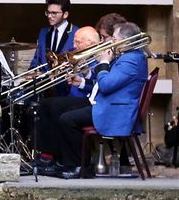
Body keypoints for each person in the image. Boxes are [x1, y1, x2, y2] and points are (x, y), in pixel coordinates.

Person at [48, 21, 148, 179]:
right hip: (110, 105)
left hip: (115, 112)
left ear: (127, 41)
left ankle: (80, 167)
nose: (110, 42)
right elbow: (107, 84)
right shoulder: (128, 57)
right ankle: (69, 163)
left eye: (114, 38)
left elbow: (106, 85)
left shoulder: (130, 60)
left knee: (67, 120)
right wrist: (82, 81)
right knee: (61, 111)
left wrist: (103, 62)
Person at [36, 25, 100, 166]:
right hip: (79, 97)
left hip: (91, 101)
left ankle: (63, 159)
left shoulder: (100, 57)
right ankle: (48, 155)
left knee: (56, 108)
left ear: (91, 43)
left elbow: (100, 83)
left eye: (78, 42)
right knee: (46, 104)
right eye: (74, 41)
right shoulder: (75, 54)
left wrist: (84, 75)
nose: (73, 45)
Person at [29, 0, 74, 96]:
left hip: (67, 92)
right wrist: (32, 72)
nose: (49, 16)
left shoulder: (76, 33)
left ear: (65, 14)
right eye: (48, 12)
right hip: (44, 90)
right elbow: (37, 59)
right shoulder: (43, 32)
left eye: (54, 13)